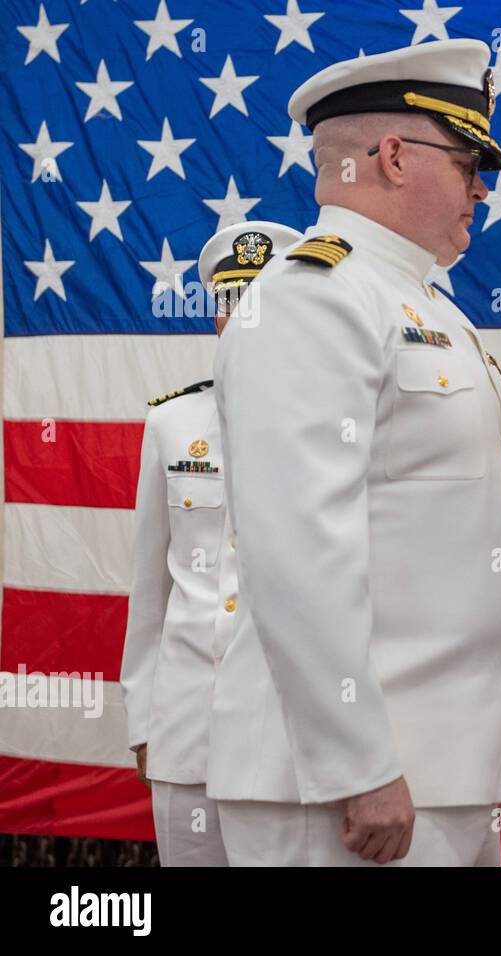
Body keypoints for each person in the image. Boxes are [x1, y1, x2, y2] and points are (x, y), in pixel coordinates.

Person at [208, 39, 501, 866]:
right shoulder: (311, 295)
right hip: (349, 786)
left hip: (438, 772)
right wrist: (359, 764)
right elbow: (298, 548)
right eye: (470, 161)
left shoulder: (420, 300)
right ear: (393, 157)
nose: (482, 188)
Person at [120, 220, 301, 866]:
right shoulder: (172, 424)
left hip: (292, 740)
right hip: (187, 730)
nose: (244, 318)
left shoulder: (338, 426)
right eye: (230, 303)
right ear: (215, 317)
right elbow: (151, 592)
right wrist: (144, 720)